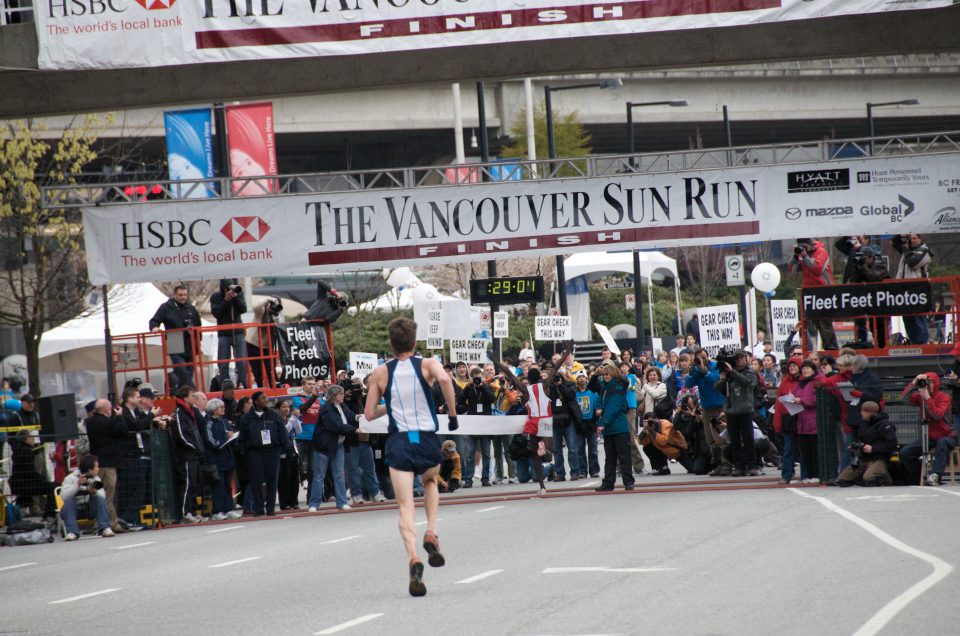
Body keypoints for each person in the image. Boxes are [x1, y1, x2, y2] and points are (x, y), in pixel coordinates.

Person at [363, 317, 458, 597]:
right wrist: (451, 414)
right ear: (414, 342)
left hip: (399, 441)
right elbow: (444, 379)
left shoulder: (381, 372)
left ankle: (414, 556)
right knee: (430, 481)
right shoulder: (427, 364)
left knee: (405, 506)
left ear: (391, 344)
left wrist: (389, 406)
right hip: (425, 437)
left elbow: (369, 414)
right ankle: (431, 531)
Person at [899, 373, 956, 486]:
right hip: (929, 436)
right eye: (926, 382)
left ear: (936, 384)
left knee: (942, 443)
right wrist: (913, 382)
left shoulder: (944, 397)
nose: (927, 385)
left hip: (947, 435)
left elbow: (937, 415)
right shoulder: (920, 396)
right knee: (905, 452)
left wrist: (928, 398)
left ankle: (936, 475)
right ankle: (919, 475)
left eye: (930, 382)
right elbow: (904, 399)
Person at [238, 391, 288, 516]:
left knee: (272, 480)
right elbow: (242, 437)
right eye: (263, 398)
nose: (266, 400)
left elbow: (282, 432)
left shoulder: (273, 415)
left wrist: (287, 448)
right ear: (255, 401)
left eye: (266, 397)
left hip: (272, 451)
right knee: (256, 481)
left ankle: (270, 508)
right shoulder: (247, 418)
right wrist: (243, 452)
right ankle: (258, 508)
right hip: (254, 452)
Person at [85, 398, 131, 532]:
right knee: (108, 494)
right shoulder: (107, 422)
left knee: (97, 493)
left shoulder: (91, 423)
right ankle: (110, 524)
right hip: (108, 465)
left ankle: (99, 522)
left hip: (96, 465)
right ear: (106, 410)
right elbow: (122, 431)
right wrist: (119, 417)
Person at [714, 351, 759, 477]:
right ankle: (739, 466)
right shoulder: (729, 372)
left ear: (746, 359)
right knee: (734, 441)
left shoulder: (749, 371)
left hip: (745, 410)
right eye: (736, 358)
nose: (738, 360)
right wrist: (723, 378)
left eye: (741, 358)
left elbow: (749, 383)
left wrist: (733, 372)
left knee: (748, 439)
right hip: (731, 410)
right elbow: (717, 388)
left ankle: (752, 465)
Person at [789, 238, 839, 350]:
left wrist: (805, 256)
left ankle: (832, 348)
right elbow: (791, 269)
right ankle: (827, 347)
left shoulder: (821, 251)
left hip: (824, 290)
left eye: (805, 247)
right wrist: (796, 256)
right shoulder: (802, 254)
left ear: (810, 244)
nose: (804, 250)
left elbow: (817, 269)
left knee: (825, 321)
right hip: (810, 291)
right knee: (816, 321)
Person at [149, 285, 202, 390]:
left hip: (190, 343)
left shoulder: (190, 308)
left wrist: (197, 340)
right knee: (182, 370)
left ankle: (183, 392)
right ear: (174, 295)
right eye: (180, 295)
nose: (183, 297)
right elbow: (154, 320)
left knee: (189, 371)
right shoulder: (166, 307)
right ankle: (192, 391)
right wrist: (154, 328)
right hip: (174, 340)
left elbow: (198, 325)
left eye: (185, 295)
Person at [834, 402, 897, 487]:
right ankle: (867, 475)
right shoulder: (864, 424)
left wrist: (873, 449)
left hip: (879, 458)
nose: (861, 413)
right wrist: (856, 447)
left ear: (869, 412)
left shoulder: (885, 424)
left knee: (869, 479)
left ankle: (884, 476)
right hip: (864, 458)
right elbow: (860, 439)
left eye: (863, 411)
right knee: (842, 480)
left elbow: (892, 444)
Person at [170, 385, 208, 522]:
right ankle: (184, 513)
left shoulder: (190, 412)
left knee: (194, 484)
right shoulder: (180, 412)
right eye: (192, 396)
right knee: (187, 484)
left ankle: (191, 510)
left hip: (194, 454)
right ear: (185, 397)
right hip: (186, 455)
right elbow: (180, 434)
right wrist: (192, 447)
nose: (194, 398)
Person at [595, 362, 634, 492]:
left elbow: (613, 406)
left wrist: (602, 423)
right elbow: (599, 400)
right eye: (604, 374)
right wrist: (598, 407)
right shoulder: (605, 388)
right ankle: (609, 482)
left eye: (607, 374)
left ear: (612, 374)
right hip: (611, 427)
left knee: (623, 456)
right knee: (610, 457)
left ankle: (627, 482)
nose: (605, 376)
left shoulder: (617, 387)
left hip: (618, 426)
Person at [60, 454, 116, 540]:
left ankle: (105, 528)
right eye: (97, 466)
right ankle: (72, 532)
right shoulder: (70, 478)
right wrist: (77, 485)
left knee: (98, 498)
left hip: (90, 509)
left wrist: (94, 492)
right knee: (69, 501)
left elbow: (103, 497)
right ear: (90, 470)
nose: (98, 468)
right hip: (74, 510)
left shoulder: (96, 479)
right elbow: (64, 496)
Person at [203, 398, 241, 520]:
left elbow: (231, 433)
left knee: (227, 485)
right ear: (214, 409)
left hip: (228, 458)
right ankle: (217, 511)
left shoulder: (225, 422)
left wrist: (232, 437)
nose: (223, 409)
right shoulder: (209, 423)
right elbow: (210, 440)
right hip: (216, 459)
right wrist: (222, 442)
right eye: (221, 407)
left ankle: (229, 508)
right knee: (218, 486)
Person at [892, 233, 933, 345]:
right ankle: (914, 342)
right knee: (908, 318)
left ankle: (922, 343)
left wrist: (905, 247)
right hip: (904, 289)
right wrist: (901, 235)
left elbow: (912, 263)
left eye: (915, 238)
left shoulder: (925, 251)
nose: (912, 240)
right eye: (910, 239)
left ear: (920, 239)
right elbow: (894, 243)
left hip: (918, 289)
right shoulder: (907, 251)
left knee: (918, 317)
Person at [8, 429, 57, 520]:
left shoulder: (18, 450)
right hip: (27, 484)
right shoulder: (26, 451)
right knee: (54, 488)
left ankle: (30, 510)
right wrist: (42, 479)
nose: (33, 439)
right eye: (31, 437)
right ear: (26, 439)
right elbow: (30, 472)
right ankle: (49, 515)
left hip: (19, 484)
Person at [210, 278, 249, 389]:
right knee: (223, 360)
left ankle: (242, 382)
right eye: (228, 288)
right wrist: (226, 300)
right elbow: (217, 314)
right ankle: (225, 383)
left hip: (238, 332)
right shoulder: (216, 297)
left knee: (241, 359)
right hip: (223, 333)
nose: (231, 290)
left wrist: (235, 298)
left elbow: (243, 309)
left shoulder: (238, 294)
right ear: (224, 288)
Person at [545, 367, 580, 481]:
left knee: (572, 448)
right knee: (556, 449)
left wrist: (560, 385)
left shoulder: (570, 384)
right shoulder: (550, 387)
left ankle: (575, 472)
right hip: (554, 421)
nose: (557, 378)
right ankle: (560, 473)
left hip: (568, 420)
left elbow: (569, 396)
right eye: (556, 375)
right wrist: (552, 384)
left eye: (560, 375)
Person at [774, 357, 803, 483]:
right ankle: (786, 475)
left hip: (801, 417)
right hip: (788, 418)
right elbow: (779, 402)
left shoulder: (804, 380)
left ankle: (806, 474)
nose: (792, 368)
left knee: (803, 448)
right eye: (790, 366)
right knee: (788, 448)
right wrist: (777, 421)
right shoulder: (785, 381)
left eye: (794, 365)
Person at [794, 361, 822, 484]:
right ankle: (809, 475)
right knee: (805, 452)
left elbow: (815, 400)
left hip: (813, 421)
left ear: (813, 370)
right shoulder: (801, 383)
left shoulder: (816, 382)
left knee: (814, 451)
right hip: (802, 422)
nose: (805, 370)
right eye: (803, 368)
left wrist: (801, 400)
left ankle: (816, 474)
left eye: (808, 368)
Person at [276, 400, 302, 511]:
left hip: (293, 450)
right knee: (284, 479)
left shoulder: (290, 419)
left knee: (294, 478)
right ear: (278, 409)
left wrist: (296, 420)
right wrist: (292, 419)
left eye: (287, 407)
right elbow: (284, 432)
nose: (286, 409)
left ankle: (294, 502)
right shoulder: (277, 420)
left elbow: (299, 431)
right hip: (282, 453)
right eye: (283, 407)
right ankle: (284, 502)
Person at [574, 373, 600, 478]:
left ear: (587, 379)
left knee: (593, 449)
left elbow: (596, 407)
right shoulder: (574, 393)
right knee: (580, 449)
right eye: (579, 377)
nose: (581, 379)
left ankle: (594, 470)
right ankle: (582, 471)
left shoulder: (592, 393)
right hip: (579, 424)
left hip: (591, 423)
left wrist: (595, 421)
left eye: (583, 377)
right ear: (577, 380)